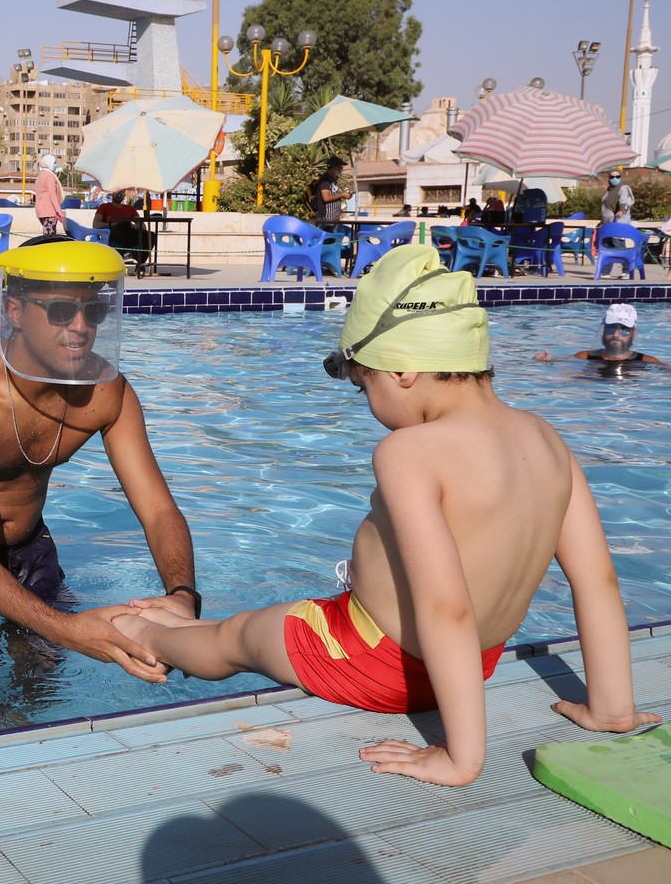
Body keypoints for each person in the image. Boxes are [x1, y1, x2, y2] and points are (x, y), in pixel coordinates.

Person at [109, 246, 661, 786]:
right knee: (257, 625)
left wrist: (460, 758)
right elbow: (597, 580)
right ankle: (612, 708)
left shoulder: (411, 451)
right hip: (474, 664)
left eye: (362, 384)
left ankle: (143, 634)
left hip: (370, 659)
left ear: (400, 371)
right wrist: (613, 708)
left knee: (236, 638)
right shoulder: (546, 438)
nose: (368, 404)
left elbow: (445, 606)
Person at [0, 235, 196, 679]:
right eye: (59, 311)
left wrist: (183, 595)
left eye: (92, 311)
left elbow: (158, 510)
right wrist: (69, 629)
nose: (79, 326)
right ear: (14, 311)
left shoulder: (106, 392)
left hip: (28, 545)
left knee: (41, 676)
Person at [535, 304, 663, 366]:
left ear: (633, 334)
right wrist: (544, 361)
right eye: (611, 328)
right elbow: (560, 367)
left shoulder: (647, 361)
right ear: (603, 330)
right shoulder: (584, 356)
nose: (616, 334)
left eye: (624, 329)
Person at [93, 192, 150, 276]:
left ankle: (140, 264)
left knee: (150, 235)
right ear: (112, 194)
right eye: (117, 193)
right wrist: (114, 225)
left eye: (121, 193)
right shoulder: (104, 207)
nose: (119, 195)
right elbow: (96, 224)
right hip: (112, 236)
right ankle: (127, 253)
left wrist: (136, 225)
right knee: (123, 224)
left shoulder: (129, 208)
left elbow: (142, 225)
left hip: (129, 235)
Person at [311, 157, 352, 226]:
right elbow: (326, 198)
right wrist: (342, 195)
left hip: (333, 217)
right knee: (329, 236)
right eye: (340, 168)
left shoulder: (332, 181)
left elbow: (333, 194)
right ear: (335, 168)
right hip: (326, 218)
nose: (341, 170)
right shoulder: (325, 181)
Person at [33, 154, 64, 236]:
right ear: (48, 163)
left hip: (40, 210)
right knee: (50, 236)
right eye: (54, 163)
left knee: (46, 233)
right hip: (49, 210)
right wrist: (59, 211)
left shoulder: (40, 175)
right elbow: (52, 195)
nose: (55, 165)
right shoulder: (50, 176)